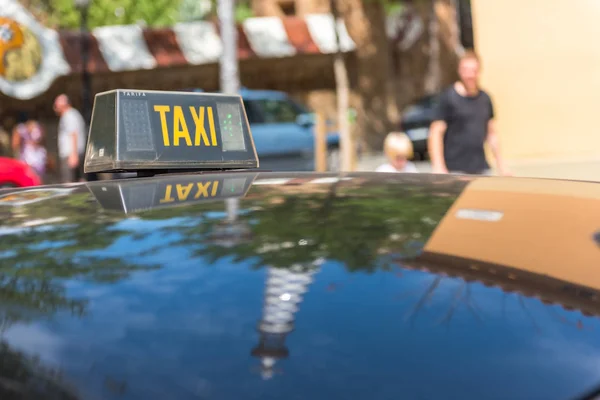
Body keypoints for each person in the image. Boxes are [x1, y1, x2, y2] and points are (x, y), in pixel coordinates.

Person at [428, 50, 510, 176]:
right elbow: (435, 132)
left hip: (481, 169)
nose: (470, 75)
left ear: (479, 71)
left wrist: (501, 165)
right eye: (466, 70)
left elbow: (491, 134)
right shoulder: (448, 98)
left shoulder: (485, 98)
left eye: (474, 70)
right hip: (454, 170)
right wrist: (438, 166)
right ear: (459, 71)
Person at [54, 94, 86, 183]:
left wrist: (73, 154)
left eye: (57, 103)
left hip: (70, 154)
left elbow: (73, 134)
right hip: (72, 154)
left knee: (68, 182)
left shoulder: (69, 115)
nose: (55, 106)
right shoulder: (70, 114)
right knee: (78, 180)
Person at [11, 112, 47, 180]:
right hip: (33, 158)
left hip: (33, 158)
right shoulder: (21, 128)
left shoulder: (20, 128)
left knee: (32, 179)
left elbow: (14, 144)